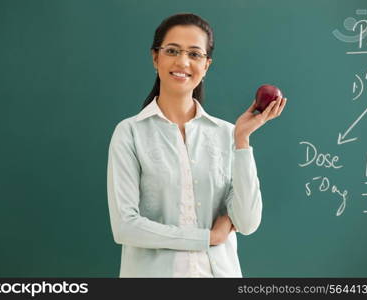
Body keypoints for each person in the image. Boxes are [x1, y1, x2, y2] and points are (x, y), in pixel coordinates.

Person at [107, 13, 286, 278]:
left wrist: (242, 140)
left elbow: (247, 223)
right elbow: (125, 226)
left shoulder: (227, 134)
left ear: (206, 65)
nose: (182, 62)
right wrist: (208, 237)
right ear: (155, 58)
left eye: (194, 54)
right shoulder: (130, 133)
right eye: (172, 51)